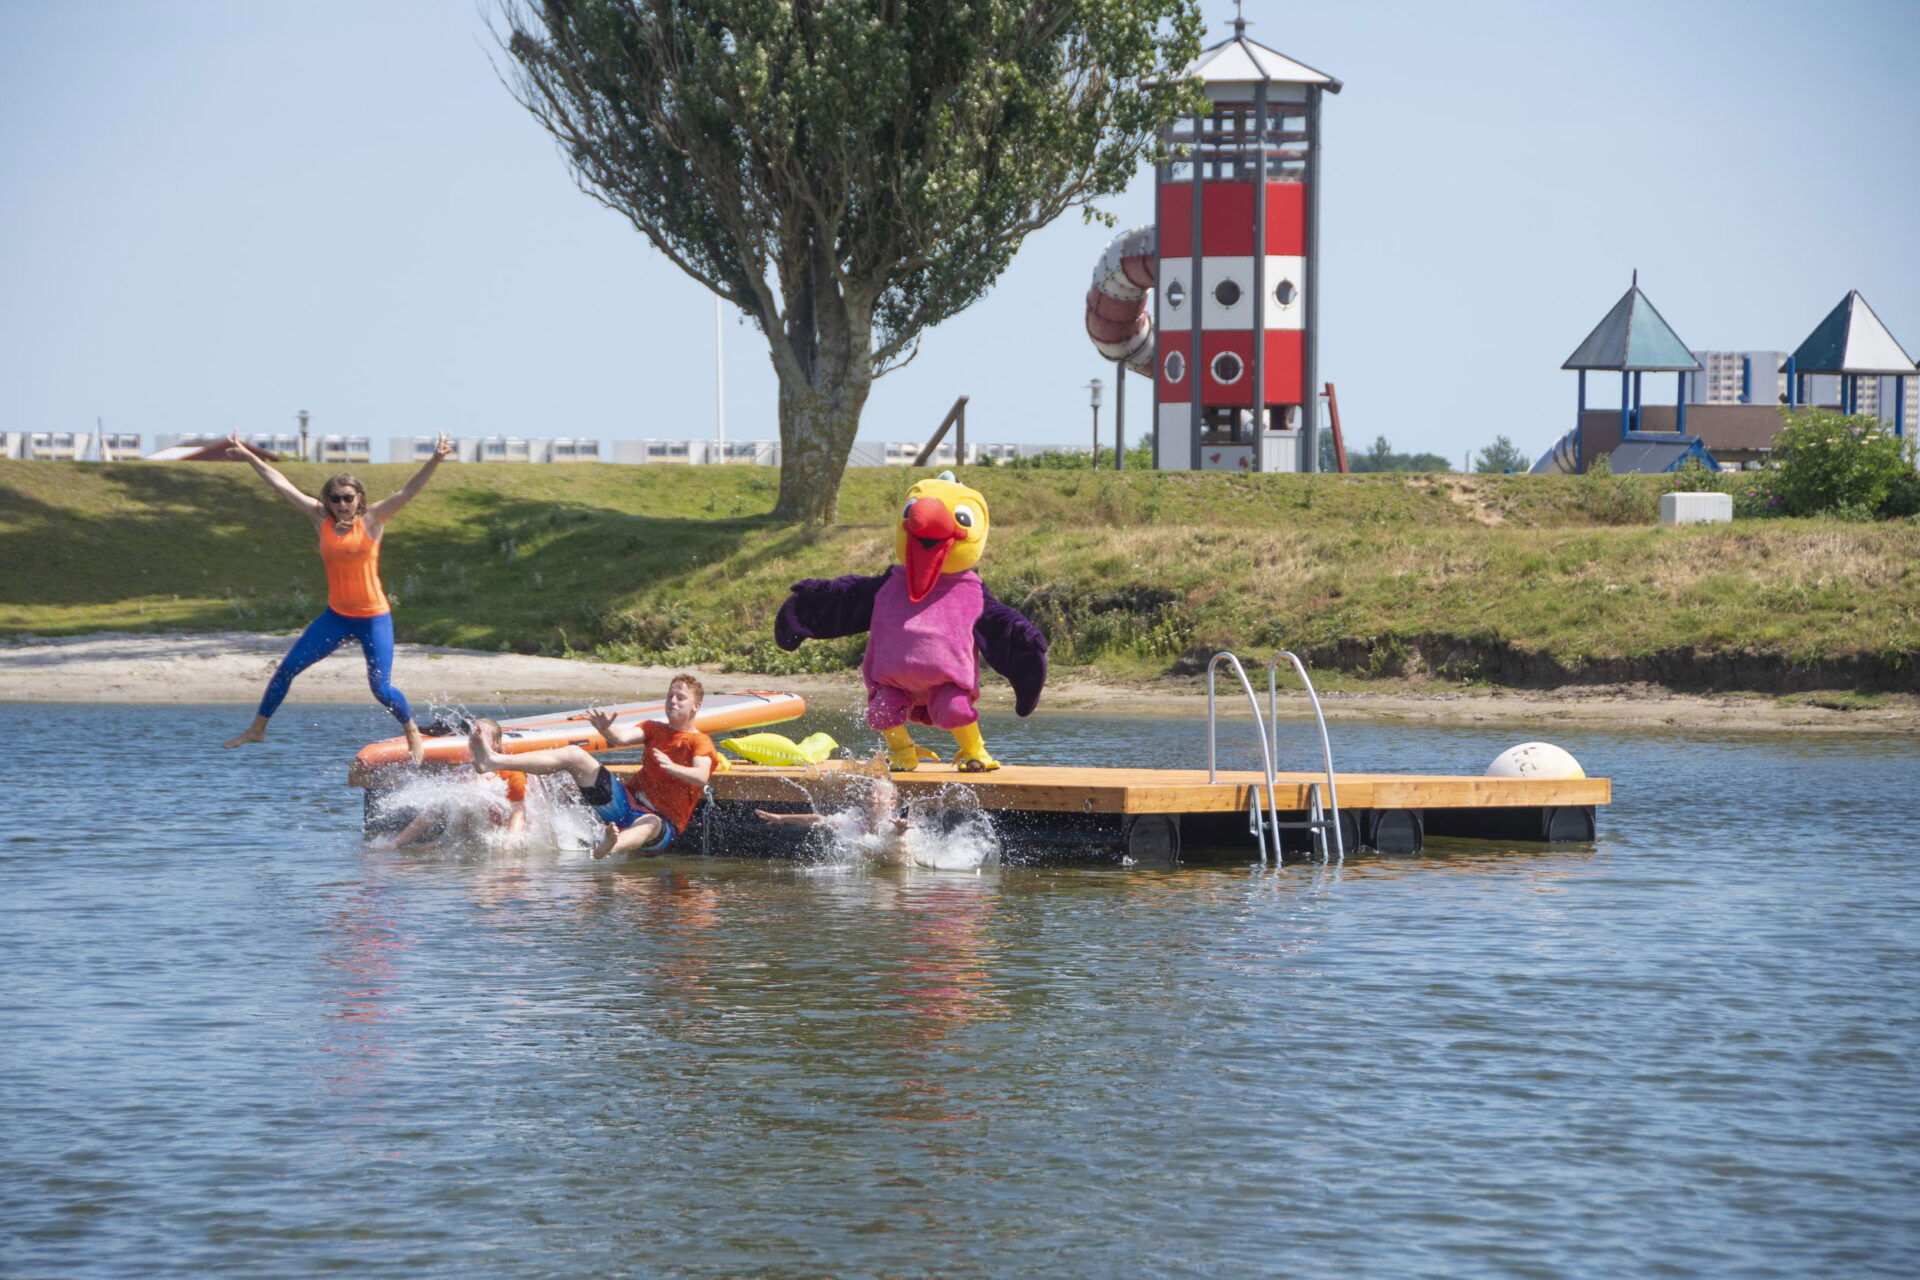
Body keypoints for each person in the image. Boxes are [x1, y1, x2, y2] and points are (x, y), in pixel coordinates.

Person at [222, 430, 454, 762]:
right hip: (337, 616)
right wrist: (249, 456)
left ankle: (412, 732)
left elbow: (409, 490)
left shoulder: (373, 520)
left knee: (381, 689)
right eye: (335, 498)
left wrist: (435, 459)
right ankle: (257, 729)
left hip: (374, 617)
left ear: (359, 498)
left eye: (347, 498)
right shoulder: (321, 519)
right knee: (287, 669)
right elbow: (281, 484)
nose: (341, 504)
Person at [469, 674, 722, 859]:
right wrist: (605, 729)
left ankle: (610, 846)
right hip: (624, 803)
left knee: (650, 824)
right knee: (574, 755)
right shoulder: (653, 728)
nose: (673, 702)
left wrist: (672, 767)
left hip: (660, 826)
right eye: (670, 696)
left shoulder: (699, 741)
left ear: (696, 706)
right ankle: (493, 760)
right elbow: (621, 738)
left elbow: (701, 776)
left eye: (681, 698)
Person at [755, 773, 914, 866]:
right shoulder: (855, 819)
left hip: (897, 868)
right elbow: (819, 820)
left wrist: (900, 832)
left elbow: (898, 850)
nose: (873, 796)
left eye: (880, 794)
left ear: (892, 804)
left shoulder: (893, 823)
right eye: (869, 792)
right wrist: (781, 818)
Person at [376, 769, 530, 849]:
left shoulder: (513, 775)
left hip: (502, 828)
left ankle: (443, 844)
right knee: (447, 802)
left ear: (496, 744)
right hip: (474, 829)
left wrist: (509, 842)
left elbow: (519, 814)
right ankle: (397, 842)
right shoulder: (466, 770)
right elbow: (440, 807)